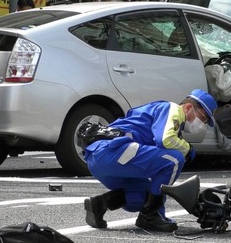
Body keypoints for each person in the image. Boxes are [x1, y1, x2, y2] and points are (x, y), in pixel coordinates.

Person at [83, 89, 217, 232]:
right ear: (189, 107)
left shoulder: (161, 116)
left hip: (98, 158)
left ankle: (99, 204)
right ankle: (151, 216)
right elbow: (166, 140)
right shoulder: (172, 108)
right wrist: (188, 149)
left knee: (143, 197)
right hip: (113, 150)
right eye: (203, 118)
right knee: (174, 160)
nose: (202, 124)